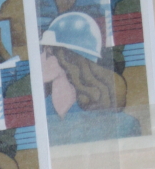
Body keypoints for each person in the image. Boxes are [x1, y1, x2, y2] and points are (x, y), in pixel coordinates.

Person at [40, 11, 141, 143]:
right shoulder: (39, 111)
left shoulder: (122, 126)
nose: (40, 58)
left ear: (69, 58)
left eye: (47, 51)